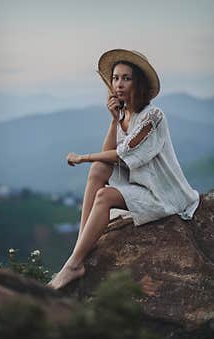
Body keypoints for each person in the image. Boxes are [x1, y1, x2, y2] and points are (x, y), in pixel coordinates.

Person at [47, 49, 200, 290]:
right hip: (138, 188)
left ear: (137, 82)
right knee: (98, 169)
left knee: (103, 194)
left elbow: (124, 154)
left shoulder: (153, 117)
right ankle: (77, 255)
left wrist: (82, 157)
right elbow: (107, 156)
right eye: (116, 78)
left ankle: (74, 263)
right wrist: (113, 120)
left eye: (126, 78)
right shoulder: (124, 115)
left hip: (161, 195)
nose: (118, 84)